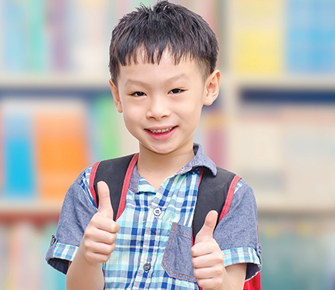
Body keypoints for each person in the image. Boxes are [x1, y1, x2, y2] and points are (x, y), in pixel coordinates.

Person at [46, 1, 261, 289]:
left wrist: (218, 280)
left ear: (209, 88)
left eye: (176, 90)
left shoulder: (232, 196)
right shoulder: (93, 186)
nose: (157, 110)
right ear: (117, 95)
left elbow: (232, 286)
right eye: (138, 93)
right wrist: (88, 256)